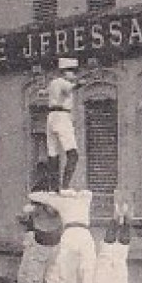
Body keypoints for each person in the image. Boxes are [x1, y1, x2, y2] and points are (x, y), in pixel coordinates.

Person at [45, 58, 81, 187]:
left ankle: (53, 187)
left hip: (51, 117)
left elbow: (44, 92)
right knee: (73, 154)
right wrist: (80, 83)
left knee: (53, 153)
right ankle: (65, 186)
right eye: (73, 72)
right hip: (62, 116)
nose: (74, 75)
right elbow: (71, 88)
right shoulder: (63, 82)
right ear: (65, 72)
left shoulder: (53, 83)